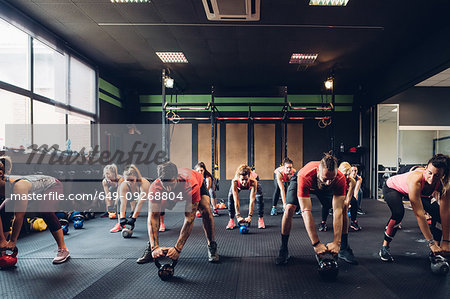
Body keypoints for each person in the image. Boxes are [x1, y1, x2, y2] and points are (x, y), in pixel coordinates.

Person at [136, 162, 219, 264]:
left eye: (171, 184)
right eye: (165, 185)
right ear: (160, 181)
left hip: (196, 182)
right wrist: (154, 247)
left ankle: (212, 245)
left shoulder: (191, 184)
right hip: (175, 192)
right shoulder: (155, 187)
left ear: (177, 178)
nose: (169, 188)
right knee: (155, 211)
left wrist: (177, 248)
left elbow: (189, 219)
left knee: (206, 210)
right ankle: (151, 246)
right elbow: (153, 217)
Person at [276, 153, 346, 265]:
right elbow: (306, 211)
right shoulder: (305, 175)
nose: (329, 182)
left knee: (343, 207)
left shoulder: (339, 178)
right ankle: (283, 248)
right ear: (318, 172)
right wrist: (316, 244)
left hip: (321, 185)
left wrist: (337, 242)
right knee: (289, 208)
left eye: (331, 178)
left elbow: (337, 211)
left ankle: (344, 247)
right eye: (326, 178)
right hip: (303, 180)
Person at [379, 154, 450, 262]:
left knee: (438, 214)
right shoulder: (415, 180)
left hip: (420, 192)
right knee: (398, 213)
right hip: (393, 188)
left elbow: (445, 213)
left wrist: (446, 242)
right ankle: (385, 247)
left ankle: (437, 250)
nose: (431, 178)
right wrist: (430, 242)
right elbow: (419, 214)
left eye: (436, 175)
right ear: (425, 169)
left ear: (442, 175)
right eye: (429, 173)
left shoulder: (444, 184)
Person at [0, 156, 70, 264]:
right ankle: (2, 250)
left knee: (44, 210)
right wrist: (3, 242)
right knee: (3, 210)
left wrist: (13, 241)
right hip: (31, 191)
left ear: (0, 174)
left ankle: (63, 249)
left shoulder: (18, 186)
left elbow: (19, 216)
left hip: (51, 185)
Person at [110, 165, 151, 234]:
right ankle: (120, 224)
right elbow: (123, 203)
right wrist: (122, 218)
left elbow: (140, 203)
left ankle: (160, 223)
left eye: (132, 180)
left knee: (156, 204)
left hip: (147, 195)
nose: (129, 182)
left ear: (136, 178)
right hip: (133, 195)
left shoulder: (144, 183)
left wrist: (133, 219)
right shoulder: (124, 185)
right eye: (127, 180)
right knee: (119, 200)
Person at [226, 165, 265, 230]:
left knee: (259, 197)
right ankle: (231, 220)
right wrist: (238, 216)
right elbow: (236, 200)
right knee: (231, 197)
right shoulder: (235, 181)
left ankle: (260, 219)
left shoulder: (253, 181)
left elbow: (252, 200)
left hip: (255, 178)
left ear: (249, 177)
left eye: (246, 179)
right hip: (237, 183)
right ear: (239, 178)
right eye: (242, 180)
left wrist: (250, 216)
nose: (244, 182)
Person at [337, 162, 359, 264]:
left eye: (347, 174)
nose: (345, 177)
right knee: (336, 211)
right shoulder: (335, 179)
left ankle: (343, 247)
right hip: (332, 195)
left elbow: (347, 200)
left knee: (344, 210)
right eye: (343, 174)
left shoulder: (351, 181)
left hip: (343, 196)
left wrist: (346, 205)